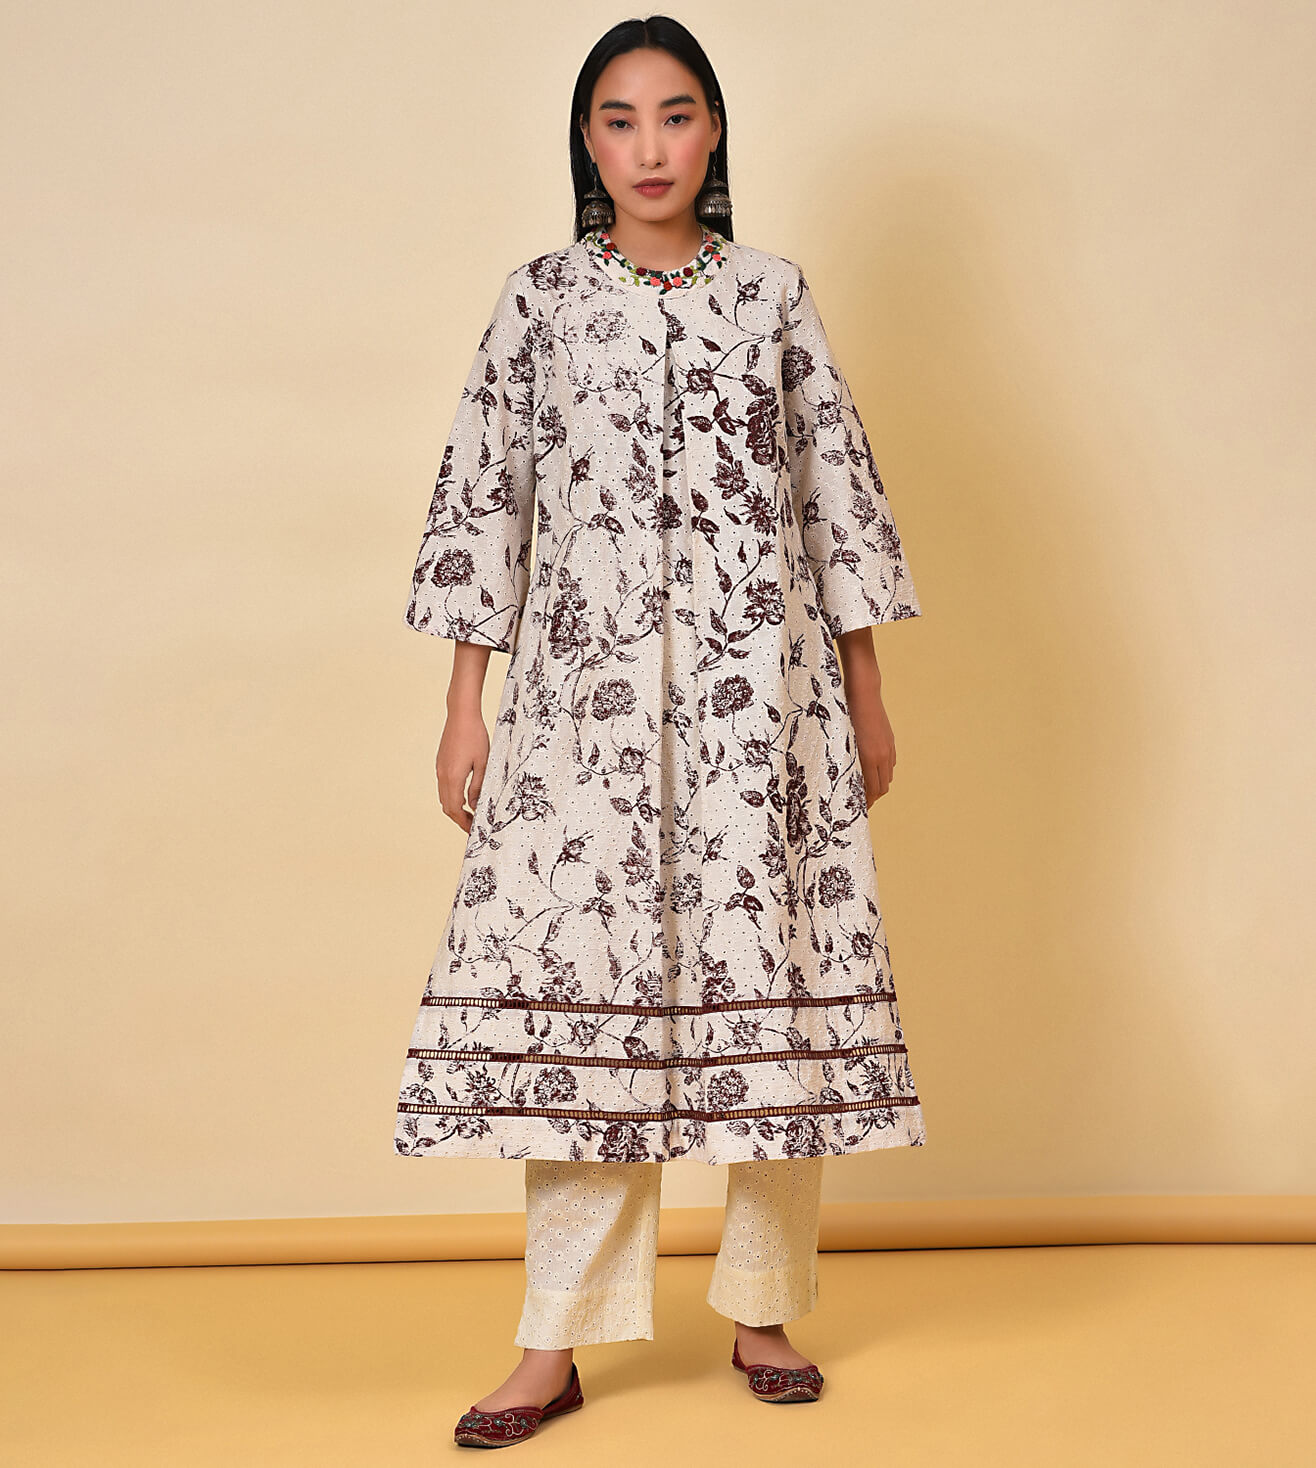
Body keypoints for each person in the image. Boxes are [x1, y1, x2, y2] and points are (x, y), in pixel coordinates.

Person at [393, 15, 929, 1449]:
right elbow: (484, 501)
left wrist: (868, 692)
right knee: (586, 1012)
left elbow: (835, 498)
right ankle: (552, 1344)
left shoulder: (773, 297)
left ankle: (763, 1310)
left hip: (765, 709)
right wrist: (464, 705)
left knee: (777, 1000)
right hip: (588, 716)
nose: (650, 148)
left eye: (676, 116)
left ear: (714, 132)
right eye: (620, 120)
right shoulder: (541, 303)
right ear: (586, 139)